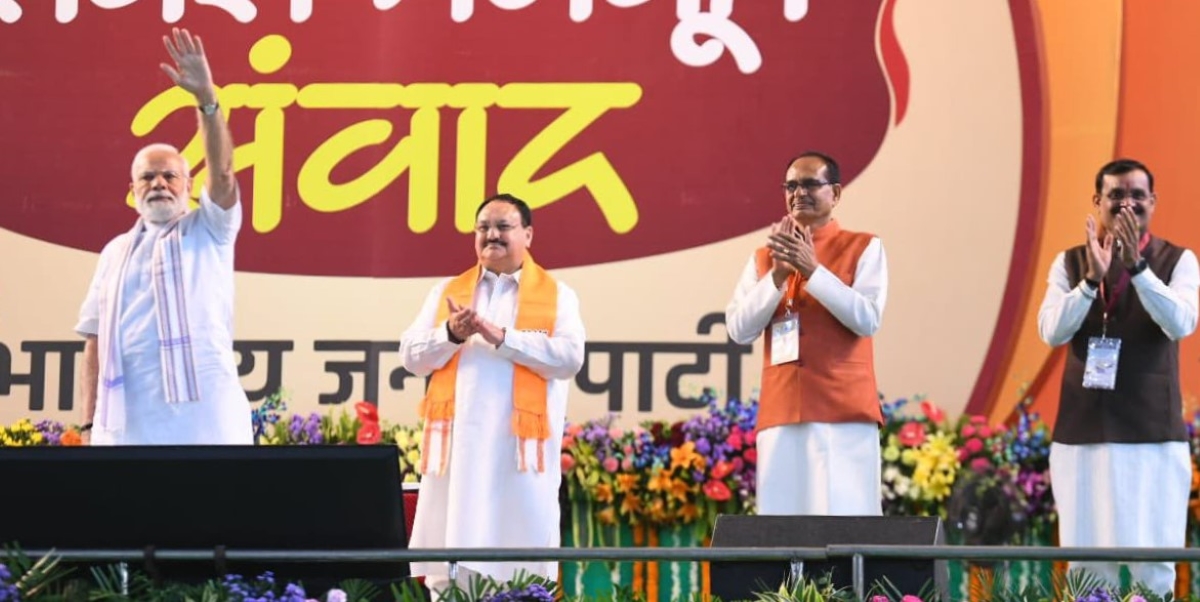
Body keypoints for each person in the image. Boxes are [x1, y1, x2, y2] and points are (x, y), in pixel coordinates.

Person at [400, 193, 586, 598]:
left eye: (503, 226)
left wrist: (501, 337)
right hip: (457, 466)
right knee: (452, 579)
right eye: (483, 227)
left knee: (520, 576)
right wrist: (451, 334)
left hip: (519, 465)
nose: (492, 235)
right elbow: (411, 357)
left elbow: (569, 359)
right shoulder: (447, 293)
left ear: (528, 234)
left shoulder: (559, 296)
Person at [75, 28, 251, 445]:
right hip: (127, 424)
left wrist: (206, 101)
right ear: (133, 190)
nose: (158, 183)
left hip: (204, 418)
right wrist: (86, 425)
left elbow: (224, 174)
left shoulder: (208, 229)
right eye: (147, 177)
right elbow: (95, 342)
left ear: (189, 185)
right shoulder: (115, 252)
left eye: (170, 175)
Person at [1037, 158, 1198, 595]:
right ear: (1097, 202)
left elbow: (1182, 323)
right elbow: (1052, 330)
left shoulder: (1179, 260)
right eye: (1116, 195)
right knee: (1089, 571)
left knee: (1153, 569)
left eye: (1137, 195)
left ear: (1153, 202)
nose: (1127, 203)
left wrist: (1140, 270)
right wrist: (1091, 281)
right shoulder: (1070, 262)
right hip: (1082, 438)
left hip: (1153, 440)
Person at [724, 151, 888, 516]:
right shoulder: (764, 257)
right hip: (781, 411)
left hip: (843, 411)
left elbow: (867, 318)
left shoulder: (863, 246)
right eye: (792, 185)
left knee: (845, 526)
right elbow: (738, 329)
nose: (800, 192)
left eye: (812, 183)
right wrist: (779, 275)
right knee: (782, 532)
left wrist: (812, 271)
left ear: (836, 193)